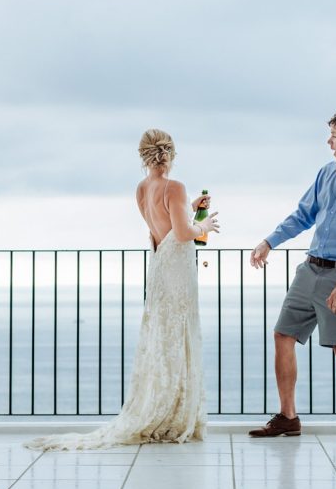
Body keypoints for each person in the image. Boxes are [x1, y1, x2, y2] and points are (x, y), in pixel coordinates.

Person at [25, 129, 219, 451]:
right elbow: (184, 233)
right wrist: (205, 225)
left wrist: (190, 206)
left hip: (159, 268)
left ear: (143, 155)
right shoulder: (175, 187)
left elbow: (164, 223)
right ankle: (174, 416)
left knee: (162, 336)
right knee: (178, 335)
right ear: (171, 153)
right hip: (178, 270)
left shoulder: (142, 188)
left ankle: (160, 408)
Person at [248, 109, 336, 443]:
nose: (329, 142)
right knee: (283, 336)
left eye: (335, 136)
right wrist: (270, 241)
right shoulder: (327, 173)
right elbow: (303, 216)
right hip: (309, 269)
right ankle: (288, 417)